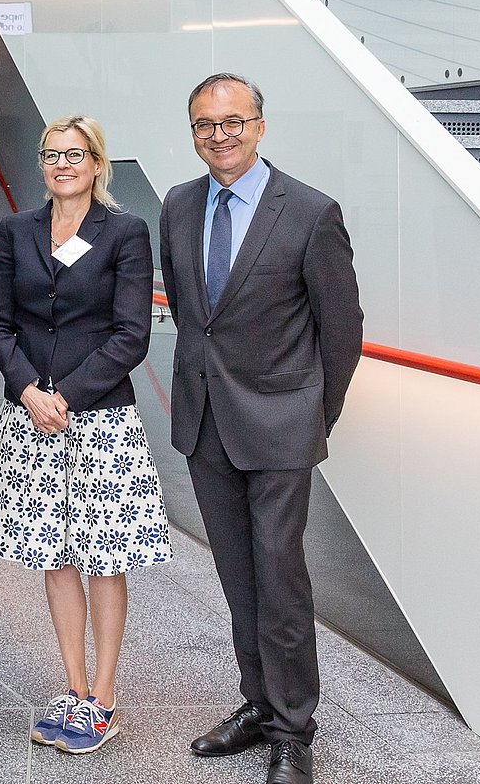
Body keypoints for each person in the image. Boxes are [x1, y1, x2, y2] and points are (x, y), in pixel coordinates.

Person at [157, 74, 363, 784]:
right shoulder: (179, 205)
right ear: (192, 132)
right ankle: (257, 703)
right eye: (205, 124)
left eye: (233, 121)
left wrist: (313, 412)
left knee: (280, 579)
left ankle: (293, 730)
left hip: (280, 426)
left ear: (260, 125)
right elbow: (192, 313)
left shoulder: (308, 212)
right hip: (207, 422)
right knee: (238, 577)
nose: (220, 134)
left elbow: (342, 331)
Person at [0, 115, 172, 755]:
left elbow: (130, 334)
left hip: (100, 421)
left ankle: (104, 700)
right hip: (32, 418)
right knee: (54, 559)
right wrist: (29, 390)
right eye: (51, 154)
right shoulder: (16, 230)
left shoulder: (126, 233)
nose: (62, 164)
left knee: (106, 561)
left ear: (96, 163)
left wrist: (68, 396)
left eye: (75, 154)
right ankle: (74, 687)